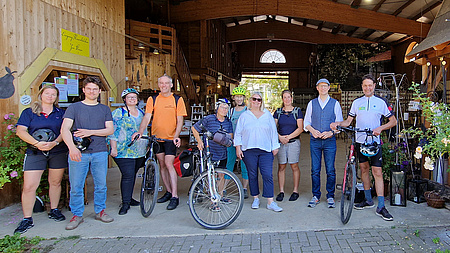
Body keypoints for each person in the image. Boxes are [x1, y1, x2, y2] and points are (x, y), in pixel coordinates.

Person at [331, 74, 397, 221]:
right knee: (364, 170)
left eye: (370, 85)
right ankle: (368, 199)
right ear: (362, 87)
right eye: (365, 85)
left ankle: (381, 206)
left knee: (377, 172)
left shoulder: (381, 102)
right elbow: (348, 121)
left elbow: (393, 121)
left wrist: (380, 128)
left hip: (374, 142)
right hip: (360, 141)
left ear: (374, 86)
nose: (367, 88)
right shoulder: (356, 102)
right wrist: (337, 124)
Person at [61, 76, 115, 230]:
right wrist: (72, 148)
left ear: (99, 91)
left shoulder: (104, 109)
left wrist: (90, 131)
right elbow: (64, 129)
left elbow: (110, 130)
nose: (92, 91)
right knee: (76, 185)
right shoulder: (74, 108)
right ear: (84, 90)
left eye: (95, 89)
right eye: (89, 89)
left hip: (99, 151)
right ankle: (77, 215)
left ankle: (100, 211)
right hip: (79, 152)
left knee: (101, 185)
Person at [14, 85, 68, 234]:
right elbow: (21, 131)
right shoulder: (30, 112)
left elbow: (65, 131)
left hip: (57, 150)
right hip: (35, 152)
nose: (50, 96)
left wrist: (55, 142)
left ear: (57, 97)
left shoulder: (61, 113)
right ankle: (27, 218)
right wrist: (37, 143)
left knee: (55, 182)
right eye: (47, 93)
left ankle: (54, 209)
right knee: (29, 186)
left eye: (53, 94)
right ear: (41, 95)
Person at [132, 74, 187, 210]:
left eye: (166, 83)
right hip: (156, 138)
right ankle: (168, 191)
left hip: (170, 138)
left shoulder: (177, 99)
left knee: (169, 164)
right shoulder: (153, 99)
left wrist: (176, 135)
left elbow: (180, 120)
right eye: (161, 83)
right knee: (162, 165)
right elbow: (147, 117)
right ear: (158, 85)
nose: (163, 85)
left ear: (171, 85)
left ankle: (175, 196)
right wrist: (140, 131)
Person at [234, 92, 282, 212]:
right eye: (254, 99)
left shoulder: (267, 115)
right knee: (252, 175)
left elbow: (273, 131)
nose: (256, 101)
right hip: (249, 150)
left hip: (265, 150)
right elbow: (238, 132)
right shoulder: (244, 116)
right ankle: (255, 198)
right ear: (250, 100)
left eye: (259, 100)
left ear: (261, 102)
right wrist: (238, 147)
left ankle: (270, 201)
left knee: (267, 174)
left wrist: (275, 146)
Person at [304, 79, 343, 208]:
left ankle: (330, 196)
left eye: (325, 86)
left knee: (330, 169)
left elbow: (339, 123)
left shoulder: (335, 103)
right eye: (321, 86)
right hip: (315, 140)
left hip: (329, 141)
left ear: (329, 88)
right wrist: (313, 131)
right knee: (315, 169)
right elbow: (306, 122)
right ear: (317, 88)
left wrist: (331, 133)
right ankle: (316, 195)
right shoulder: (312, 103)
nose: (323, 88)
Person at [109, 88, 148, 215]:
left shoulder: (141, 113)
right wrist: (113, 147)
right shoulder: (118, 113)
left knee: (133, 175)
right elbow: (112, 131)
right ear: (124, 99)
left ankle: (129, 198)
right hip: (123, 150)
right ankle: (125, 203)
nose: (132, 99)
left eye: (134, 97)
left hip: (139, 151)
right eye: (129, 97)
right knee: (128, 175)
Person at [273, 90, 304, 202]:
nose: (287, 99)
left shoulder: (297, 111)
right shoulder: (278, 112)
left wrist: (288, 137)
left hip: (293, 142)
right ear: (282, 99)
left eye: (288, 97)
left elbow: (300, 128)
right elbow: (272, 127)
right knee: (281, 167)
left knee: (294, 166)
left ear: (292, 98)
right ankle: (281, 191)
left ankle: (295, 191)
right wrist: (280, 137)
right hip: (281, 143)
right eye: (284, 97)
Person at [226, 87, 249, 199]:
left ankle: (244, 189)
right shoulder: (230, 111)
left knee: (245, 165)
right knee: (229, 164)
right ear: (233, 98)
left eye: (241, 96)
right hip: (232, 142)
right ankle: (224, 188)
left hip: (244, 143)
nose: (239, 99)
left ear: (243, 98)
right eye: (237, 97)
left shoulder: (247, 111)